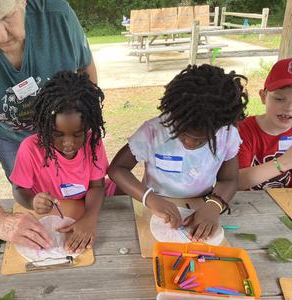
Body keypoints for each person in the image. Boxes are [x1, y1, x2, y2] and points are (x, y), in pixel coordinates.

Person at [0, 0, 97, 249]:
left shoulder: (58, 16)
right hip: (11, 137)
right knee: (32, 201)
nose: (0, 35)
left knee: (75, 193)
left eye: (6, 16)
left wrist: (84, 130)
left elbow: (86, 72)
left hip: (65, 130)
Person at [108, 64, 248, 242]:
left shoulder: (226, 134)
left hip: (202, 205)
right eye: (182, 133)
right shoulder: (154, 131)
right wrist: (148, 198)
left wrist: (213, 206)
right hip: (155, 204)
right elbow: (117, 169)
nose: (190, 142)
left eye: (201, 140)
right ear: (173, 114)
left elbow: (229, 179)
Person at [10, 70, 115, 253]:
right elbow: (19, 189)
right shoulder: (30, 148)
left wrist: (89, 218)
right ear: (45, 127)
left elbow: (97, 186)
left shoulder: (93, 143)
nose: (68, 143)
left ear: (88, 127)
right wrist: (32, 201)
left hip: (85, 207)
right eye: (57, 135)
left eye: (77, 134)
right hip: (51, 214)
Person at [238, 58, 292, 190]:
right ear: (263, 97)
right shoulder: (242, 131)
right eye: (279, 99)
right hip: (249, 206)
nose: (289, 107)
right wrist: (283, 163)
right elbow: (234, 182)